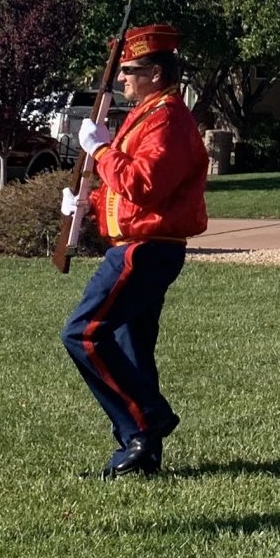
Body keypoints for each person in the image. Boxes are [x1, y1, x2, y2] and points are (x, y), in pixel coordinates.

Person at [58, 25, 207, 478]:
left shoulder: (166, 119)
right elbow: (128, 190)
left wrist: (101, 148)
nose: (122, 78)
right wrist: (87, 202)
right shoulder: (148, 114)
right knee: (131, 345)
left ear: (156, 73)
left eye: (130, 70)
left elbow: (144, 186)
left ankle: (146, 423)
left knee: (83, 334)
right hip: (142, 246)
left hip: (144, 251)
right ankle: (142, 456)